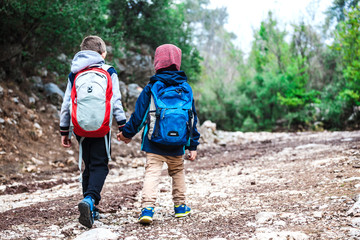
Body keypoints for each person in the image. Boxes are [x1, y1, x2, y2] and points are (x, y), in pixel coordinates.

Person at [117, 44, 200, 224]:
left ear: (157, 62)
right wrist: (193, 145)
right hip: (178, 143)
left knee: (152, 173)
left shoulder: (152, 87)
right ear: (178, 62)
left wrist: (126, 134)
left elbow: (139, 115)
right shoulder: (186, 88)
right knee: (177, 172)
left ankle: (147, 209)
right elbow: (192, 118)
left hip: (154, 143)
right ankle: (180, 207)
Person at [59, 35, 126, 228]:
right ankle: (90, 201)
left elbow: (66, 104)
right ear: (102, 53)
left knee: (88, 164)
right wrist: (122, 125)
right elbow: (116, 101)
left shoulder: (75, 73)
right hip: (101, 126)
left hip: (80, 127)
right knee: (100, 165)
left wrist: (65, 131)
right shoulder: (109, 71)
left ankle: (90, 208)